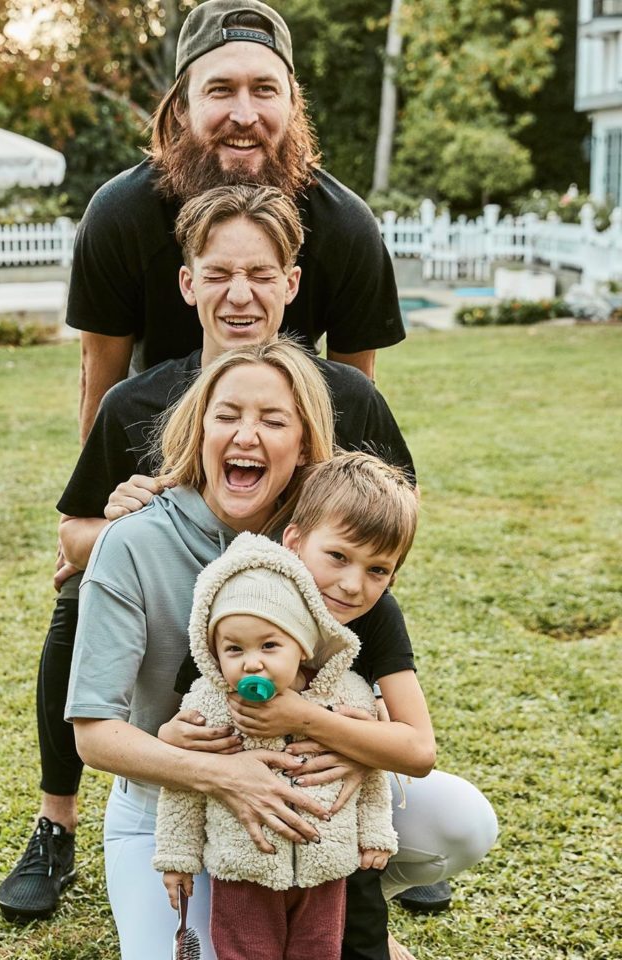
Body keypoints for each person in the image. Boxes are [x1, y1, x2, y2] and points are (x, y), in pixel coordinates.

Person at [0, 184, 418, 927]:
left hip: (313, 748)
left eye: (260, 274)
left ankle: (364, 899)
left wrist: (356, 736)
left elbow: (379, 554)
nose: (240, 294)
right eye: (219, 273)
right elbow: (76, 536)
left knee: (460, 823)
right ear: (187, 283)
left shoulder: (341, 430)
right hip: (178, 776)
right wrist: (127, 529)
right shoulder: (139, 413)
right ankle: (59, 823)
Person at [64, 341, 436, 960]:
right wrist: (221, 773)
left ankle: (344, 906)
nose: (246, 435)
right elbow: (94, 735)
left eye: (273, 420)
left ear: (304, 445)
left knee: (463, 823)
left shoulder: (326, 541)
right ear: (199, 430)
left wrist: (349, 747)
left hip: (316, 798)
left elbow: (404, 732)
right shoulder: (131, 542)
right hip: (171, 801)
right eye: (228, 415)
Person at [69, 0, 404, 444]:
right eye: (221, 89)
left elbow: (354, 408)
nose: (245, 116)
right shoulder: (120, 217)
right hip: (155, 449)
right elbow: (100, 395)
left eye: (264, 89)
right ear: (181, 107)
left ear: (292, 104)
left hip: (290, 450)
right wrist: (105, 487)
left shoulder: (346, 227)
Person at [154, 451, 420, 960]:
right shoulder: (246, 605)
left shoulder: (378, 615)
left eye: (378, 569)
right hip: (245, 841)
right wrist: (171, 739)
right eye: (338, 556)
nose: (352, 584)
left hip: (332, 828)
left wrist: (314, 724)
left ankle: (373, 923)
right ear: (294, 542)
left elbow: (418, 750)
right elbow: (187, 712)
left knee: (352, 932)